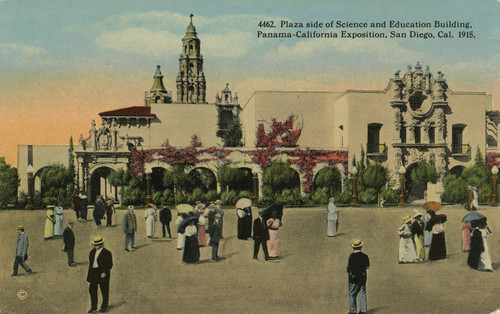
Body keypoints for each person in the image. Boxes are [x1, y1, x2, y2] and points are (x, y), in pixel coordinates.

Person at [87, 236, 113, 313]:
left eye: (97, 245)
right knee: (92, 290)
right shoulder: (92, 252)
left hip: (102, 273)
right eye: (95, 245)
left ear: (101, 244)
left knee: (104, 290)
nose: (95, 246)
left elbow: (110, 264)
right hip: (94, 273)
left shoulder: (107, 253)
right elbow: (91, 263)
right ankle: (93, 307)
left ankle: (104, 307)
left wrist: (104, 272)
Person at [347, 239, 370, 314]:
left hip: (353, 278)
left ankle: (353, 311)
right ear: (361, 247)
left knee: (352, 294)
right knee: (362, 293)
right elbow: (367, 266)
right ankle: (363, 310)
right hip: (362, 277)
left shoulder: (351, 256)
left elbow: (348, 268)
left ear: (353, 247)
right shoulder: (365, 256)